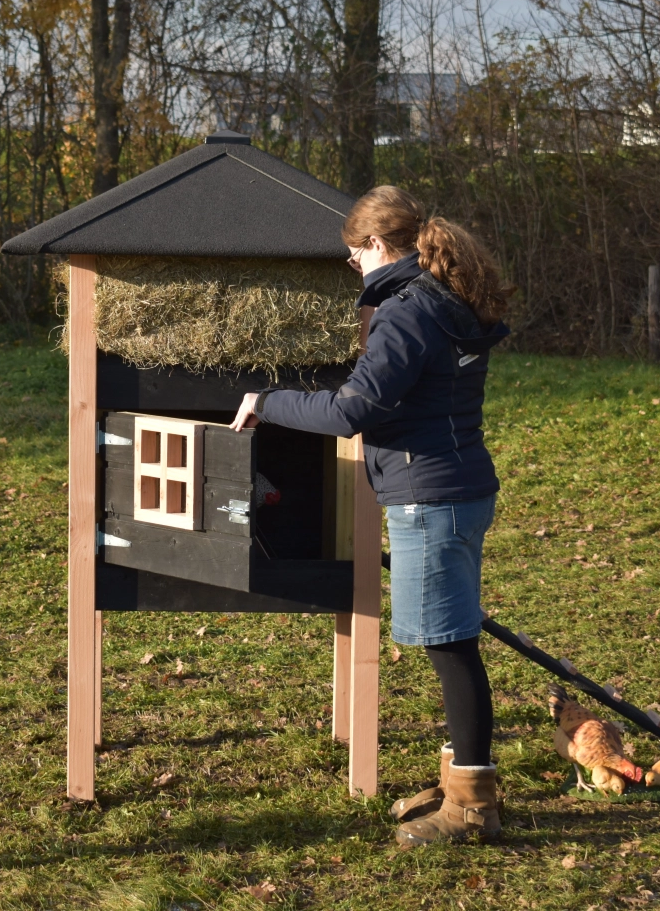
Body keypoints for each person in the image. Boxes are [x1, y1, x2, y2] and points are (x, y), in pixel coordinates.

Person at [229, 186, 513, 847]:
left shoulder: (407, 311)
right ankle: (458, 781)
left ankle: (473, 807)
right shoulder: (445, 300)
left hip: (430, 495)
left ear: (376, 244)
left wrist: (268, 402)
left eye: (354, 254)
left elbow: (353, 410)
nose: (353, 266)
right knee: (450, 638)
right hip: (457, 485)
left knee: (449, 645)